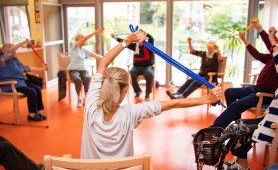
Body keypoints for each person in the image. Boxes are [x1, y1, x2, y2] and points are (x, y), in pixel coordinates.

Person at [81, 30, 222, 159]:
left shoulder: (90, 104)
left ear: (103, 84)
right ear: (125, 90)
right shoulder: (131, 113)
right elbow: (174, 103)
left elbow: (103, 63)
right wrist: (207, 99)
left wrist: (128, 40)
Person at [223, 27, 278, 170]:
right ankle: (241, 164)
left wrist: (271, 38)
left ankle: (241, 165)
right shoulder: (276, 65)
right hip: (271, 119)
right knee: (238, 124)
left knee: (241, 128)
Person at [211, 22, 278, 129]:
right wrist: (244, 40)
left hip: (265, 94)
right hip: (256, 89)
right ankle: (235, 124)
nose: (272, 45)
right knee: (229, 92)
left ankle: (213, 129)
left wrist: (260, 29)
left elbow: (269, 42)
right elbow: (257, 54)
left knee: (236, 106)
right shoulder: (271, 57)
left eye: (276, 43)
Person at [0, 40, 47, 121]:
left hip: (21, 81)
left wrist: (42, 69)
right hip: (11, 84)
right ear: (7, 51)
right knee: (32, 92)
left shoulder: (14, 59)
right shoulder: (2, 59)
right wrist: (23, 42)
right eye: (12, 51)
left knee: (37, 89)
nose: (14, 52)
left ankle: (38, 112)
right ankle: (31, 115)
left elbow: (26, 68)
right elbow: (9, 51)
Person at [112, 33, 155, 101]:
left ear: (144, 38)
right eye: (138, 39)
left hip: (147, 66)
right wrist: (115, 38)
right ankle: (138, 91)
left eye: (140, 38)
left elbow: (151, 39)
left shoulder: (148, 46)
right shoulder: (135, 46)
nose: (139, 40)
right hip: (136, 67)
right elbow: (124, 42)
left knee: (149, 74)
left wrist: (145, 33)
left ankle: (147, 93)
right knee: (131, 74)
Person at [69, 28, 103, 107]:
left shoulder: (84, 49)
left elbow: (95, 56)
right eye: (83, 40)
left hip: (83, 70)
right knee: (77, 79)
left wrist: (106, 58)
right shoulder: (73, 45)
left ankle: (86, 97)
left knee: (87, 78)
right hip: (73, 70)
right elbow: (84, 38)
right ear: (78, 40)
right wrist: (95, 32)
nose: (85, 41)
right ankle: (79, 98)